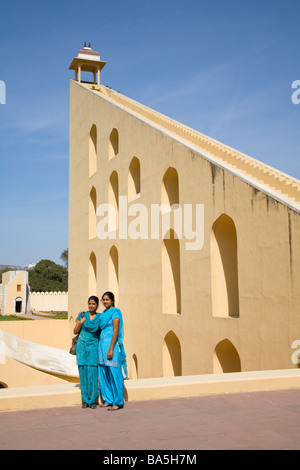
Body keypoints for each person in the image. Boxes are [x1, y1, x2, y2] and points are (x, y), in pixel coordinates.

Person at [98, 291, 128, 411]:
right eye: (103, 300)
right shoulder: (104, 313)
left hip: (112, 347)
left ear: (112, 300)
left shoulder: (115, 312)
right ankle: (108, 399)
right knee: (104, 374)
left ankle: (118, 401)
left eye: (107, 300)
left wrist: (111, 349)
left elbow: (115, 330)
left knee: (115, 374)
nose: (105, 302)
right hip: (101, 347)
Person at [74, 295, 101, 409]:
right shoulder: (82, 315)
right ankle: (85, 400)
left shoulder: (100, 317)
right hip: (82, 347)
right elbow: (75, 331)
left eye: (93, 304)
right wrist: (80, 322)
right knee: (83, 373)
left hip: (93, 347)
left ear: (97, 305)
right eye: (90, 303)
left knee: (93, 373)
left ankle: (93, 400)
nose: (91, 306)